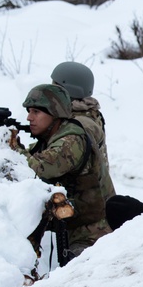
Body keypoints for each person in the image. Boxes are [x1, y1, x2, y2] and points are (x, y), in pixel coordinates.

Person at [9, 83, 111, 258]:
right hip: (75, 231)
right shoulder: (52, 138)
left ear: (55, 114)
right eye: (29, 111)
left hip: (93, 236)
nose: (29, 118)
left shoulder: (71, 140)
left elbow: (37, 168)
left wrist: (10, 145)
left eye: (36, 112)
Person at [50, 62, 116, 201]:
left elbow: (54, 162)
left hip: (89, 205)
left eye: (55, 86)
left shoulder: (82, 124)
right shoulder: (85, 113)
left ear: (68, 90)